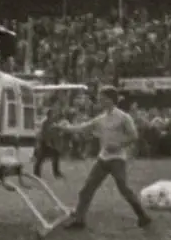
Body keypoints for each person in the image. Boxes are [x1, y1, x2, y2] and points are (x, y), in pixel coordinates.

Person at [61, 85, 151, 229]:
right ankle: (79, 220)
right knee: (87, 189)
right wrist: (66, 128)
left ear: (110, 100)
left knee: (124, 189)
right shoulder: (101, 118)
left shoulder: (123, 117)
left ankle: (143, 216)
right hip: (103, 159)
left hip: (117, 159)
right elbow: (84, 127)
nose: (99, 101)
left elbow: (134, 136)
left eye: (102, 99)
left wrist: (118, 145)